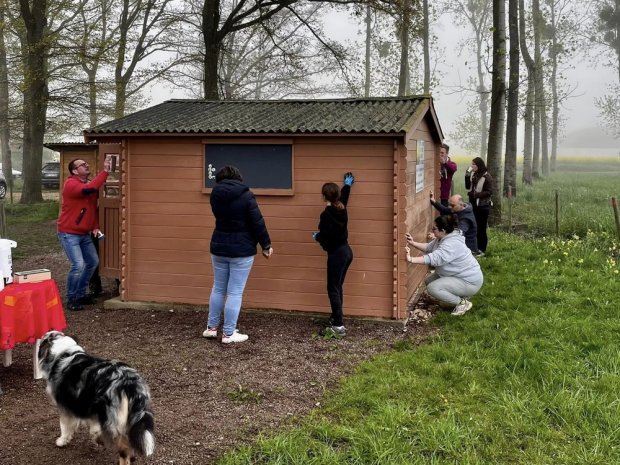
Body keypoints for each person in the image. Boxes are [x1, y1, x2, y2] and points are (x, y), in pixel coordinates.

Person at [202, 166, 273, 344]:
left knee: (218, 288)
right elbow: (257, 222)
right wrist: (266, 245)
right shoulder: (246, 195)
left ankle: (211, 328)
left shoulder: (215, 195)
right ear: (238, 177)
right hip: (241, 250)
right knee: (234, 292)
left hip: (218, 247)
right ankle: (228, 333)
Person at [57, 157, 111, 311]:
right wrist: (105, 171)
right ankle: (72, 298)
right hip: (69, 233)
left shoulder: (88, 185)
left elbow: (92, 209)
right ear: (75, 171)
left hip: (84, 233)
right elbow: (90, 189)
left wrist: (95, 226)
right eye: (82, 165)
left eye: (86, 163)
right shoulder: (71, 184)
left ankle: (80, 294)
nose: (86, 165)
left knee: (92, 262)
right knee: (78, 265)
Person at [405, 215, 483, 316]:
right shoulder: (443, 237)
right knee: (428, 281)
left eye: (434, 228)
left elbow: (434, 258)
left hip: (469, 281)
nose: (432, 230)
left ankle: (462, 303)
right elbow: (429, 247)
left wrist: (411, 259)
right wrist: (413, 243)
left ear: (443, 230)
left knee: (433, 288)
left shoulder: (451, 244)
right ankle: (456, 296)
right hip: (458, 275)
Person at [313, 172, 355, 337]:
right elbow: (344, 197)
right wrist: (348, 185)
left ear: (324, 197)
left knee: (332, 288)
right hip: (347, 252)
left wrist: (318, 237)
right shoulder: (341, 208)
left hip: (337, 254)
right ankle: (335, 317)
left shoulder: (327, 215)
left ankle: (338, 326)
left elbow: (326, 238)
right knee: (337, 287)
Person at [465, 156, 494, 256]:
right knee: (474, 227)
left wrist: (476, 195)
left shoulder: (487, 176)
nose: (471, 166)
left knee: (481, 228)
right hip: (473, 204)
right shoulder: (473, 174)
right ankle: (475, 248)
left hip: (482, 206)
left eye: (473, 164)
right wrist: (466, 176)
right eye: (471, 164)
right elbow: (468, 187)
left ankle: (482, 249)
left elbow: (489, 192)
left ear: (479, 165)